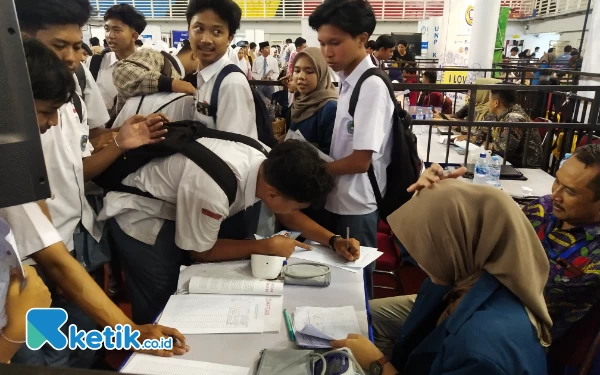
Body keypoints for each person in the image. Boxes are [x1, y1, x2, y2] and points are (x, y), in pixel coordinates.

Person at [4, 37, 187, 367]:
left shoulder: (16, 159)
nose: (53, 123)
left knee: (68, 347)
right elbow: (54, 258)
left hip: (59, 252)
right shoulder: (11, 162)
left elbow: (51, 246)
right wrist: (131, 333)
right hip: (19, 298)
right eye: (46, 112)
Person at [99, 139, 361, 325]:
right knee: (162, 301)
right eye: (297, 205)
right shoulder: (212, 190)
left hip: (177, 204)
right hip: (140, 219)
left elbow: (286, 211)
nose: (295, 211)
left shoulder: (269, 162)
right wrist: (264, 246)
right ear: (273, 195)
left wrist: (332, 239)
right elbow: (200, 251)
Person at [343, 179, 551, 375]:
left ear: (458, 245)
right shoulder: (468, 273)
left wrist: (378, 364)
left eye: (428, 246)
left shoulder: (479, 349)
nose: (417, 257)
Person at [309, 0, 394, 299]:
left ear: (362, 38)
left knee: (354, 289)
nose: (327, 52)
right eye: (322, 43)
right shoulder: (347, 80)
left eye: (335, 42)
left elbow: (360, 161)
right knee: (336, 282)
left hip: (357, 203)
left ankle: (363, 342)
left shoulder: (370, 86)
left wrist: (316, 168)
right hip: (341, 196)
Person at [523, 144, 600, 340]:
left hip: (532, 338)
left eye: (570, 192)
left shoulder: (595, 256)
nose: (555, 195)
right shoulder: (543, 208)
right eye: (557, 180)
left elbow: (543, 298)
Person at [16, 0, 111, 138]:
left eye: (77, 47)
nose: (71, 58)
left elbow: (88, 141)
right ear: (24, 40)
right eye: (59, 46)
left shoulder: (79, 76)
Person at [186, 0, 257, 138]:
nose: (206, 39)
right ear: (189, 30)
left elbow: (233, 152)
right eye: (199, 29)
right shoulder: (203, 75)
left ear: (229, 38)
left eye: (217, 31)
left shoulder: (231, 83)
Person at [89, 3, 147, 113]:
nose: (110, 35)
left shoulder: (148, 64)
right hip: (104, 129)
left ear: (134, 36)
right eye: (107, 29)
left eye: (117, 30)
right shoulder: (95, 63)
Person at [288, 47, 337, 155]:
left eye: (309, 71)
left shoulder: (330, 109)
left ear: (321, 73)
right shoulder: (300, 100)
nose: (301, 76)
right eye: (296, 71)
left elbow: (331, 154)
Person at [488, 88, 543, 168]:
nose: (487, 103)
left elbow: (503, 151)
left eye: (489, 100)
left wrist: (485, 144)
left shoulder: (514, 118)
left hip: (526, 168)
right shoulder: (505, 113)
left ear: (496, 103)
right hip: (514, 163)